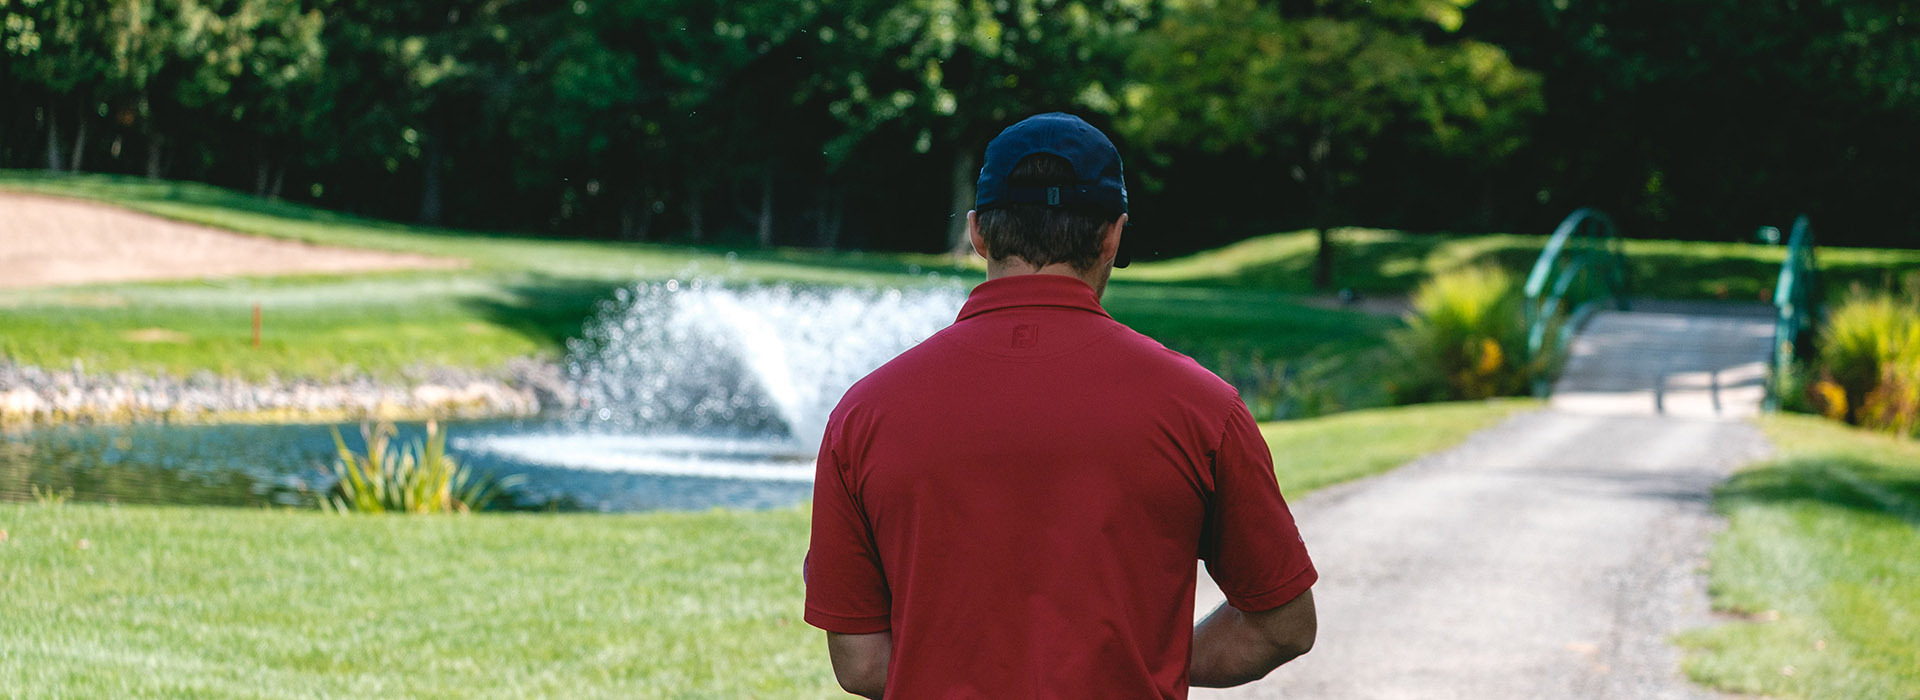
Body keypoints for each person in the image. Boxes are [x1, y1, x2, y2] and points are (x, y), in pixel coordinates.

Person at [803, 112, 1317, 699]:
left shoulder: (865, 414)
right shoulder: (1202, 409)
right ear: (1113, 236)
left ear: (978, 233)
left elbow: (862, 664)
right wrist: (1142, 657)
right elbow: (1283, 625)